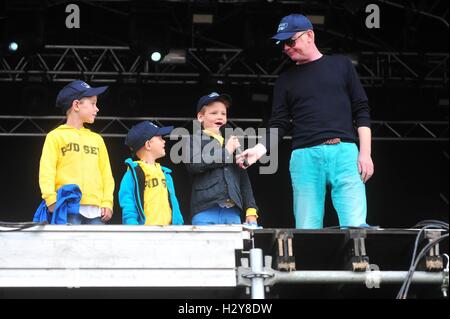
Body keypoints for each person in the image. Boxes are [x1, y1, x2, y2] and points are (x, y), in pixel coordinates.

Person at [238, 14, 374, 229]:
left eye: (290, 41)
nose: (286, 48)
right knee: (307, 228)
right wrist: (259, 150)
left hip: (345, 152)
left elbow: (362, 110)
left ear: (309, 35)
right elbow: (279, 123)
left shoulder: (341, 65)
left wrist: (365, 153)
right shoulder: (285, 79)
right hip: (305, 156)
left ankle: (358, 263)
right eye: (282, 44)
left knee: (356, 226)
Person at [39, 80, 114, 224]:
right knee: (67, 247)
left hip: (96, 211)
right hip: (67, 207)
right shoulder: (55, 136)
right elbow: (47, 170)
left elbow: (106, 174)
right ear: (76, 105)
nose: (97, 109)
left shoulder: (97, 139)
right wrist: (50, 199)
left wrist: (107, 202)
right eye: (92, 104)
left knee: (97, 247)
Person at [184, 92, 259, 226]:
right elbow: (194, 165)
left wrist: (251, 210)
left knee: (233, 247)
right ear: (200, 117)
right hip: (205, 209)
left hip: (232, 212)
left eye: (223, 114)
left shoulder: (231, 142)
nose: (220, 117)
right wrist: (226, 152)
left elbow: (243, 179)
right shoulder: (193, 140)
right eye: (214, 113)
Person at [119, 121, 184, 225]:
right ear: (148, 144)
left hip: (169, 232)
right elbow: (128, 204)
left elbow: (175, 205)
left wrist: (179, 226)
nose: (164, 141)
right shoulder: (133, 173)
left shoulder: (166, 174)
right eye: (160, 138)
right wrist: (132, 227)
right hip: (145, 234)